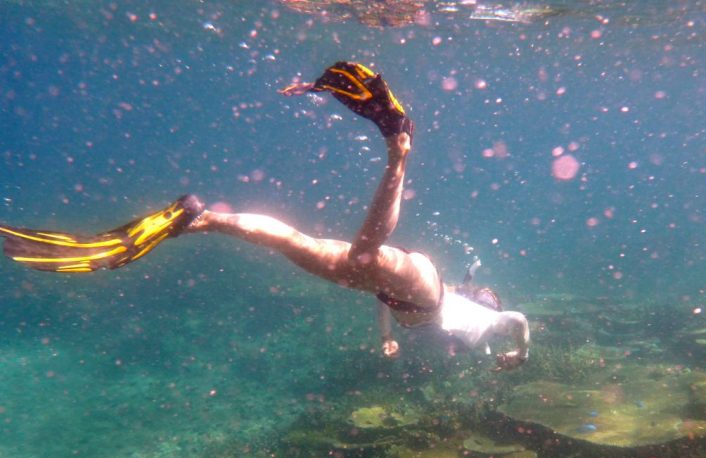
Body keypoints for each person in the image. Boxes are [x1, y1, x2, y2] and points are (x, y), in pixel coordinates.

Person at [0, 62, 530, 370]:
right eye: (489, 300)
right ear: (484, 300)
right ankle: (399, 148)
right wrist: (521, 354)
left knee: (290, 242)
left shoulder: (450, 315)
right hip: (423, 285)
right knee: (364, 252)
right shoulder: (479, 318)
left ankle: (198, 220)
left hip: (395, 290)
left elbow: (384, 304)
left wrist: (383, 336)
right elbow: (518, 321)